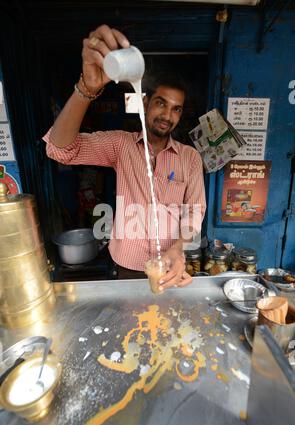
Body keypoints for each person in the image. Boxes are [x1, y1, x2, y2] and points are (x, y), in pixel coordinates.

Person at [43, 25, 206, 291]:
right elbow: (60, 149)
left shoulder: (190, 158)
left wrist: (178, 248)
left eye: (176, 109)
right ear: (145, 103)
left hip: (171, 264)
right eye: (161, 103)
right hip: (127, 265)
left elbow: (194, 212)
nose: (167, 115)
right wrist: (86, 89)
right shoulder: (121, 144)